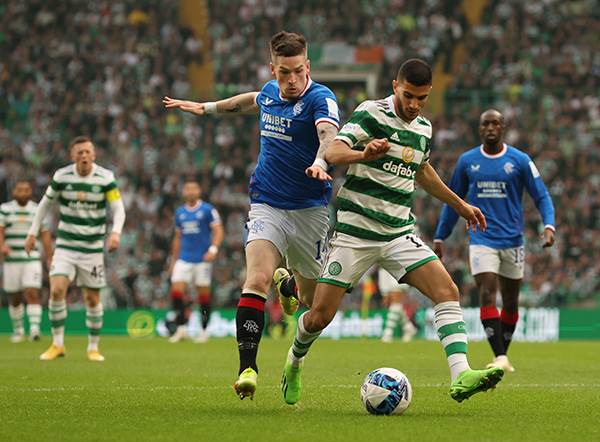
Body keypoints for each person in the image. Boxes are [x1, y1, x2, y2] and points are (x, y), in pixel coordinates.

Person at [280, 59, 504, 406]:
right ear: (395, 85)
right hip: (355, 233)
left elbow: (423, 170)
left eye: (422, 99)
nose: (414, 105)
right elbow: (334, 151)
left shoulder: (424, 128)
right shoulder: (371, 113)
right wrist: (364, 153)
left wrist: (460, 205)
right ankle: (295, 361)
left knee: (447, 290)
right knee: (319, 315)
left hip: (398, 233)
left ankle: (461, 375)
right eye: (409, 95)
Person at [164, 31, 340, 399]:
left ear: (307, 67)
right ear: (272, 69)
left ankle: (289, 286)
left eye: (296, 72)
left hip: (310, 211)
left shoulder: (321, 98)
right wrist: (207, 108)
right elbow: (252, 101)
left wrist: (322, 159)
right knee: (256, 279)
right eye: (282, 73)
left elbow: (328, 133)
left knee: (311, 301)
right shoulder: (270, 91)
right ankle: (248, 367)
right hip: (266, 202)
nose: (290, 81)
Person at [433, 109, 556, 372]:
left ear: (503, 127)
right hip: (481, 238)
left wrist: (549, 225)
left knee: (511, 302)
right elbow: (453, 199)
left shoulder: (520, 160)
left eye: (495, 123)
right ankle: (500, 357)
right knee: (487, 291)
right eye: (485, 124)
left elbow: (542, 195)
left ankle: (503, 355)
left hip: (513, 240)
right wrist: (440, 235)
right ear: (480, 129)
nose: (490, 127)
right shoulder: (467, 162)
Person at [25, 136, 126, 362]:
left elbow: (118, 208)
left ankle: (93, 347)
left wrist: (116, 232)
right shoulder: (62, 176)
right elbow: (44, 205)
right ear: (72, 156)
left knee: (92, 299)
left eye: (87, 152)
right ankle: (57, 344)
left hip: (91, 250)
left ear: (94, 155)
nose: (83, 156)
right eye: (79, 152)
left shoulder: (105, 177)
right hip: (66, 247)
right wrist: (32, 232)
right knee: (57, 290)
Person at [167, 179, 224, 343]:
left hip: (202, 260)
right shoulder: (179, 212)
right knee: (177, 291)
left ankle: (204, 331)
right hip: (184, 259)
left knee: (203, 297)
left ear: (199, 191)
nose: (191, 191)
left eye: (194, 188)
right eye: (187, 189)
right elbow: (177, 238)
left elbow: (219, 231)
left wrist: (213, 249)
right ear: (183, 192)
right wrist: (173, 261)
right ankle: (181, 329)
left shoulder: (207, 210)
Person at [0, 180, 53, 342]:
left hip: (32, 258)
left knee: (32, 292)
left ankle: (35, 330)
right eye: (20, 190)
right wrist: (2, 246)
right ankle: (18, 330)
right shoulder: (5, 209)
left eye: (26, 190)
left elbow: (44, 234)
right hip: (12, 260)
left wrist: (49, 256)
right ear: (14, 191)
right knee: (15, 297)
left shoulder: (37, 209)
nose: (23, 193)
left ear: (30, 192)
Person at [378, 267, 417, 343]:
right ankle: (409, 328)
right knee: (394, 305)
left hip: (396, 266)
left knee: (395, 301)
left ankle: (388, 332)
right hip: (384, 270)